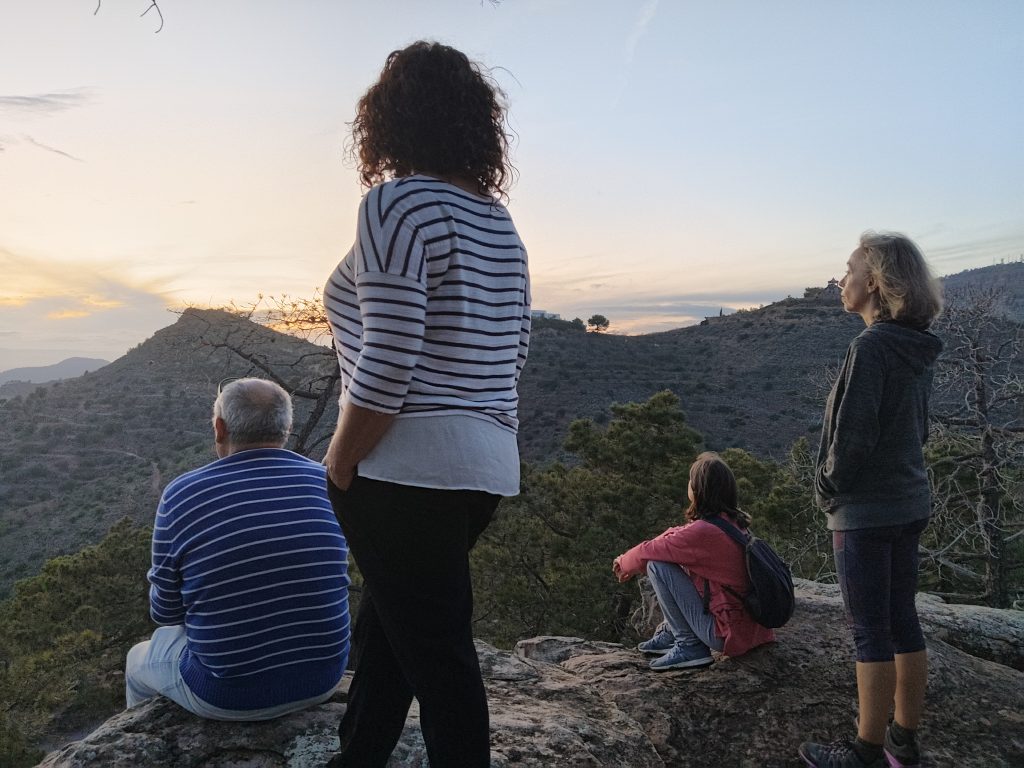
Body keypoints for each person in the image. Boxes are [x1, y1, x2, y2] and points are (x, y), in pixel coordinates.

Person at [321, 41, 530, 768]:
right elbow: (515, 350)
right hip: (484, 467)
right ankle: (357, 757)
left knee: (440, 660)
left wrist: (339, 459)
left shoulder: (395, 203)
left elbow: (388, 357)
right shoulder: (498, 223)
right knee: (393, 628)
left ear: (388, 117)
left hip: (403, 465)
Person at [798, 232, 943, 768]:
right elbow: (917, 429)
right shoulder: (916, 346)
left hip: (865, 510)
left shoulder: (871, 346)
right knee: (904, 620)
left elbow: (853, 437)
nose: (842, 280)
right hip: (909, 500)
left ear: (876, 282)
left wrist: (827, 487)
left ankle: (865, 752)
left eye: (850, 269)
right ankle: (903, 740)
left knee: (869, 632)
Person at [125, 378, 351, 720]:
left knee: (136, 660)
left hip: (228, 696)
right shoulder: (325, 482)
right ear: (287, 428)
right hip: (323, 679)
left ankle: (143, 735)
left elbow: (165, 612)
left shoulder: (182, 494)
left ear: (220, 428)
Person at [613, 452, 775, 671]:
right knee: (669, 558)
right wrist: (631, 560)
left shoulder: (704, 532)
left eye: (691, 480)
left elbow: (650, 551)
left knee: (657, 566)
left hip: (727, 634)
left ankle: (689, 646)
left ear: (699, 489)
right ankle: (673, 632)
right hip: (753, 629)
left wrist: (624, 564)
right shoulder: (732, 523)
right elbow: (673, 537)